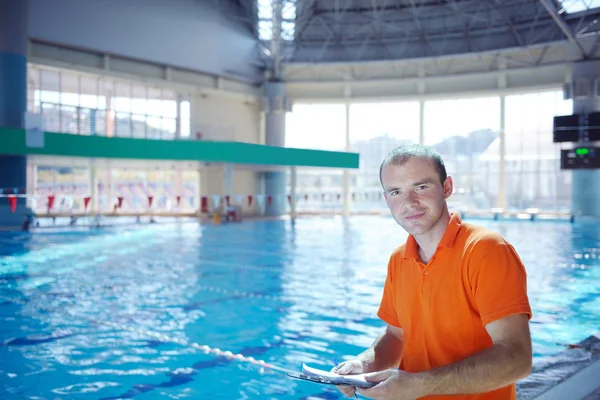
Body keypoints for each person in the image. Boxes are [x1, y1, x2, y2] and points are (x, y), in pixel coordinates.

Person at [333, 144, 532, 400]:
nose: (409, 203)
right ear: (386, 199)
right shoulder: (399, 259)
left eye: (421, 187)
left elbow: (517, 358)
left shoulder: (485, 251)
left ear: (447, 187)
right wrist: (364, 364)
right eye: (396, 192)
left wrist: (418, 385)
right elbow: (396, 335)